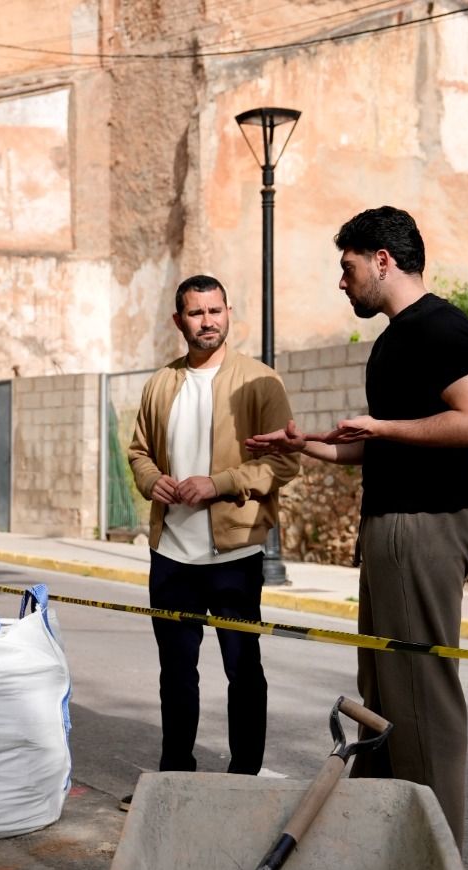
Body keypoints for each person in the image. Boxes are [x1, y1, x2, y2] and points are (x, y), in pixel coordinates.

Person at [245, 206, 468, 848]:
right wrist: (305, 444)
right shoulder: (394, 339)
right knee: (382, 690)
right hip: (394, 525)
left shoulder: (442, 327)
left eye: (348, 266)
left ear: (382, 260)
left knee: (419, 696)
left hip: (427, 524)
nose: (342, 280)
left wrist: (383, 428)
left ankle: (431, 858)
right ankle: (381, 843)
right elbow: (376, 446)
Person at [122, 274, 299, 810]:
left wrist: (217, 484)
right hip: (171, 555)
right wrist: (155, 482)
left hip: (235, 554)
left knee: (243, 668)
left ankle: (244, 776)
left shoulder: (260, 382)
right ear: (179, 321)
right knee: (176, 672)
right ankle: (176, 774)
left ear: (228, 312)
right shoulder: (160, 384)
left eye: (216, 311)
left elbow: (283, 461)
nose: (208, 322)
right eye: (196, 313)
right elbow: (138, 452)